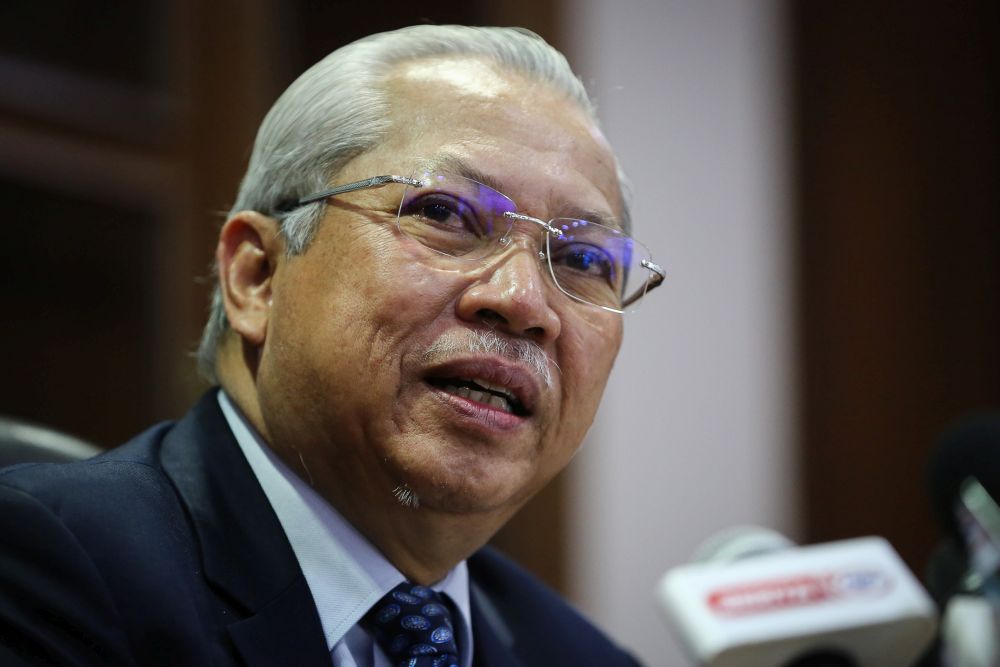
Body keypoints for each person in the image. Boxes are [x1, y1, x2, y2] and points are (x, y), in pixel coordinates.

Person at [0, 24, 663, 667]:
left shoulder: (581, 655)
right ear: (257, 275)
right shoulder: (50, 568)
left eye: (581, 257)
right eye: (444, 214)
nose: (524, 302)